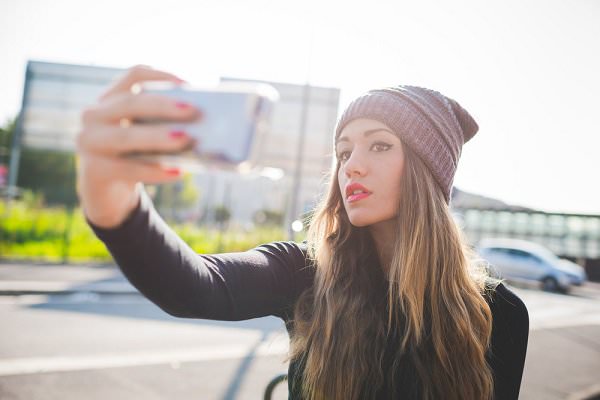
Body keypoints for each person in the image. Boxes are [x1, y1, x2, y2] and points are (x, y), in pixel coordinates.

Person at [77, 66, 529, 400]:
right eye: (344, 150)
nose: (352, 164)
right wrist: (114, 201)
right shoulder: (305, 273)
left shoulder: (500, 314)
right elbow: (195, 286)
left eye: (380, 144)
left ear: (430, 172)